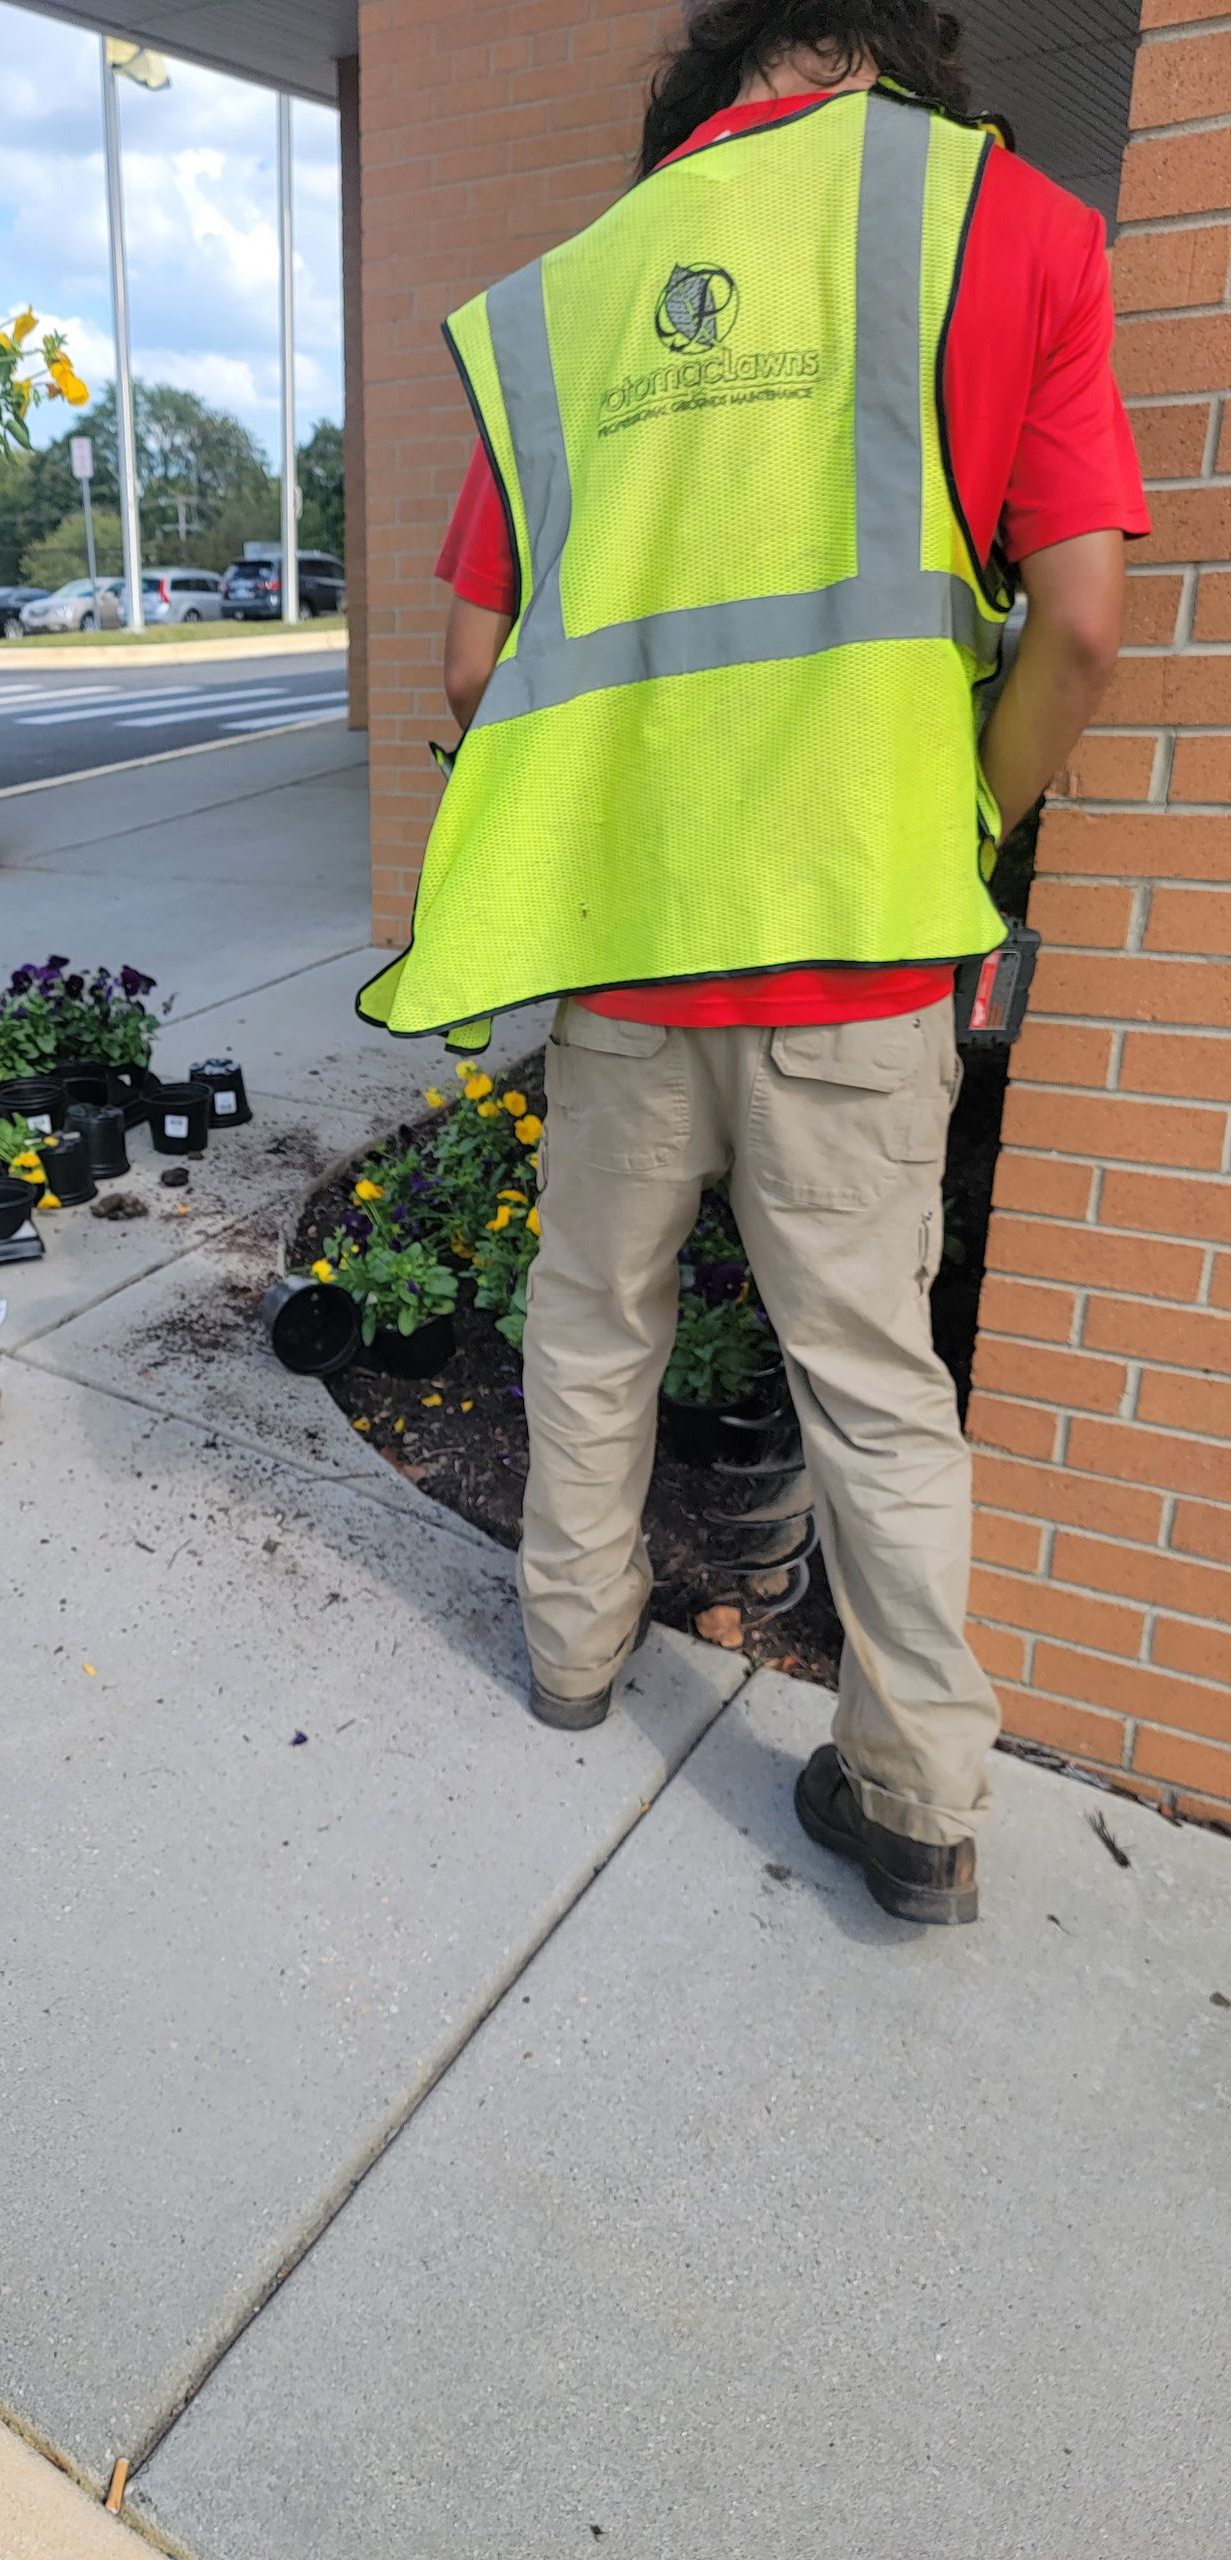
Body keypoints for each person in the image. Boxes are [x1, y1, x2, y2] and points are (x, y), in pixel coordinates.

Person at [375, 0, 1145, 1924]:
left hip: (629, 954)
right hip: (864, 950)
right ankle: (914, 1806)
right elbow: (1086, 626)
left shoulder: (566, 297)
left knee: (595, 1319)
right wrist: (954, 823)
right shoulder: (1009, 225)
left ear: (718, 80)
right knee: (876, 1390)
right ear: (899, 59)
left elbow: (472, 670)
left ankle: (568, 1658)